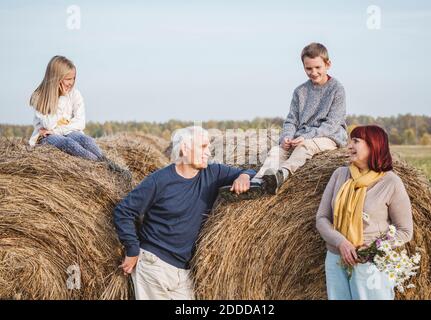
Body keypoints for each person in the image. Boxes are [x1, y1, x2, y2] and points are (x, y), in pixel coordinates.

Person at [114, 126, 256, 300]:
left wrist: (244, 177)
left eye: (209, 148)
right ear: (184, 149)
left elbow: (249, 171)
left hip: (183, 271)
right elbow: (124, 211)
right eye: (203, 147)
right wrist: (132, 249)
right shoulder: (159, 181)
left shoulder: (213, 173)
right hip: (154, 265)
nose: (208, 153)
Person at [221, 43, 347, 199]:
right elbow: (291, 120)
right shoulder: (300, 91)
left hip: (329, 136)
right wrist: (286, 138)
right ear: (304, 67)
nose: (313, 72)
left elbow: (331, 124)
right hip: (301, 136)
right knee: (276, 152)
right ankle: (256, 184)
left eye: (317, 67)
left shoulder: (337, 89)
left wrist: (306, 137)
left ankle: (282, 175)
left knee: (304, 147)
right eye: (308, 69)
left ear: (328, 65)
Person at [316, 125, 413, 300]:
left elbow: (405, 231)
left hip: (370, 263)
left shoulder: (391, 182)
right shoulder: (340, 175)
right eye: (350, 141)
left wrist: (373, 250)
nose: (349, 146)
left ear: (373, 145)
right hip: (335, 259)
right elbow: (322, 218)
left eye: (356, 141)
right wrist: (341, 243)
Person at [29, 56, 129, 177]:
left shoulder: (75, 94)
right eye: (68, 79)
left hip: (65, 131)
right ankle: (102, 168)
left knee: (86, 141)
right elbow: (48, 124)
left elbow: (80, 123)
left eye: (73, 78)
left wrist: (57, 130)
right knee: (68, 144)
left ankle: (109, 165)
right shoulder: (39, 97)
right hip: (45, 137)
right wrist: (62, 98)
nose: (71, 82)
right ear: (56, 78)